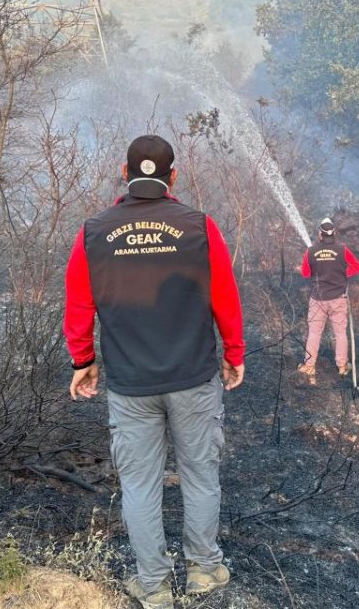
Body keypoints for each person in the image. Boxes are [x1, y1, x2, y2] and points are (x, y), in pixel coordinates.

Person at [64, 135, 244, 609]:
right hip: (195, 378)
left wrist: (83, 362)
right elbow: (225, 297)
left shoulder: (94, 231)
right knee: (200, 477)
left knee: (140, 485)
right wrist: (234, 352)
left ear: (125, 173)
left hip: (130, 384)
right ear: (174, 177)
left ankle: (154, 586)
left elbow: (79, 304)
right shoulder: (199, 227)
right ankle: (204, 571)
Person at [297, 217, 359, 380]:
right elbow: (357, 267)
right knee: (340, 334)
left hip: (317, 299)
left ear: (320, 234)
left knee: (314, 333)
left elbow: (306, 273)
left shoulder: (310, 251)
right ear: (333, 234)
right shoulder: (342, 249)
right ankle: (342, 366)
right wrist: (342, 276)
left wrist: (302, 267)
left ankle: (309, 366)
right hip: (338, 298)